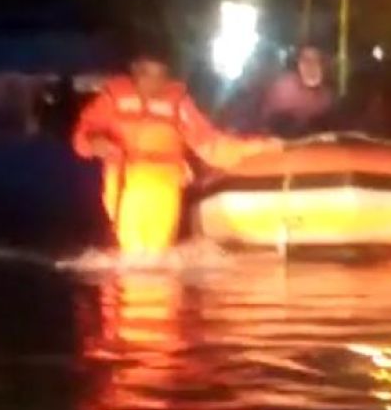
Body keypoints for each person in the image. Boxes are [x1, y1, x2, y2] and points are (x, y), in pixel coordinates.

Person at [73, 47, 279, 254]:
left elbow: (209, 144)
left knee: (154, 254)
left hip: (163, 188)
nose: (154, 83)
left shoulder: (178, 102)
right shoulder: (113, 97)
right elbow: (82, 136)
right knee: (128, 250)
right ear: (135, 71)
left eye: (161, 76)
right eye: (148, 75)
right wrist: (95, 143)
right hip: (123, 186)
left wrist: (257, 147)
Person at [260, 45, 337, 138]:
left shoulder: (327, 97)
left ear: (325, 67)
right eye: (306, 61)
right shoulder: (284, 88)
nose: (311, 66)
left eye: (318, 61)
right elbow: (265, 127)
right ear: (297, 65)